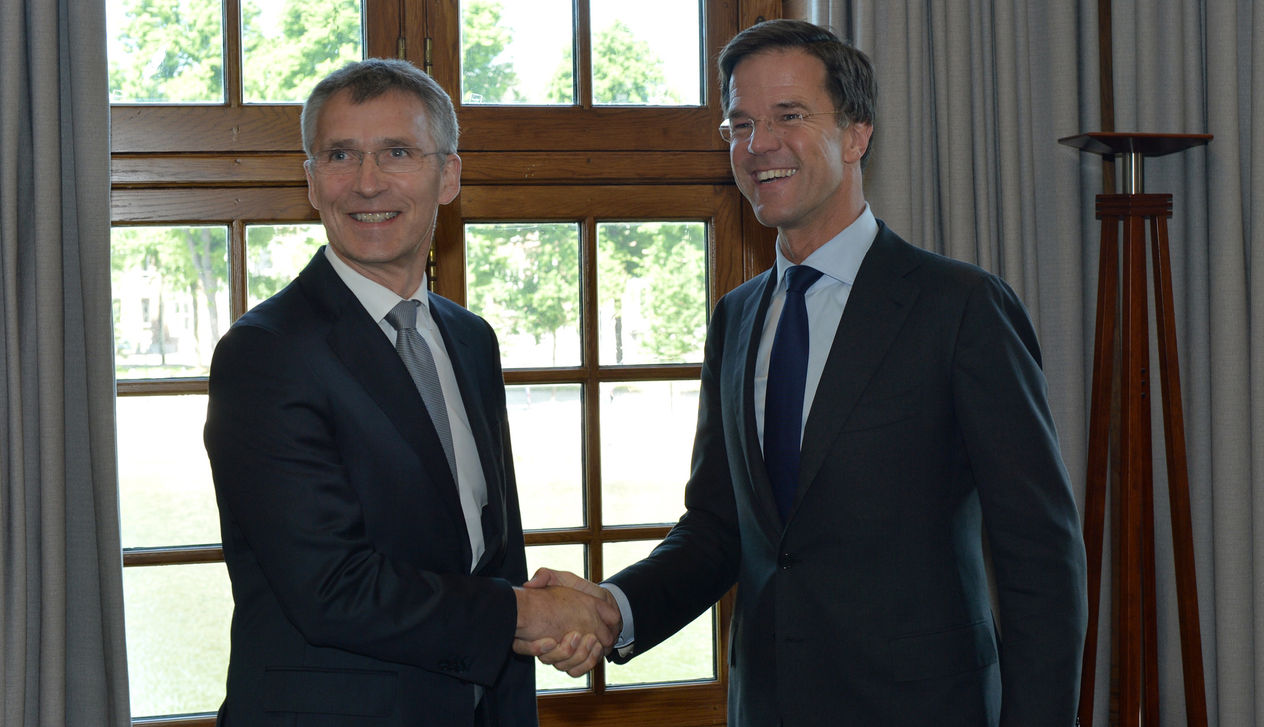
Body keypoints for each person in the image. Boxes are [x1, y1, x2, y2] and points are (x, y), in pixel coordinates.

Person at [525, 19, 1088, 726]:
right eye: (740, 124)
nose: (758, 144)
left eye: (788, 116)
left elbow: (1040, 555)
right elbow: (718, 528)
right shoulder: (736, 318)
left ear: (857, 135)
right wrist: (614, 608)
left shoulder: (961, 307)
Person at [205, 58, 616, 727]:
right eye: (341, 155)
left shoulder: (470, 339)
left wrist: (534, 626)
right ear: (311, 180)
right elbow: (330, 586)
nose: (367, 182)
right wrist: (527, 613)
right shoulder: (265, 353)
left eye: (397, 152)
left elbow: (488, 553)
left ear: (448, 176)